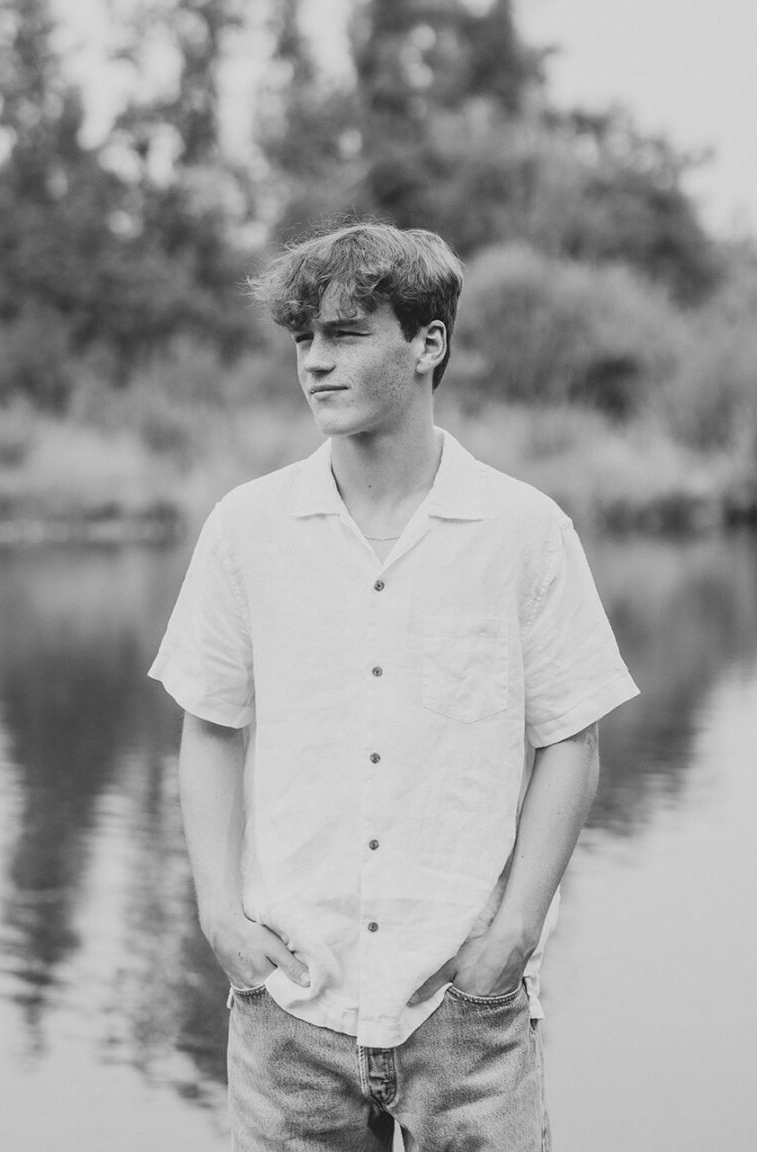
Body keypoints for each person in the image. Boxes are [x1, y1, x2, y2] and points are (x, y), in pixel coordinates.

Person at [148, 221, 639, 1151]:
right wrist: (218, 914)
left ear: (428, 343)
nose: (314, 363)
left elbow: (569, 739)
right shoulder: (246, 528)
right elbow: (209, 725)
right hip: (291, 1005)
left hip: (468, 1009)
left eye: (345, 335)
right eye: (304, 339)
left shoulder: (523, 531)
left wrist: (513, 937)